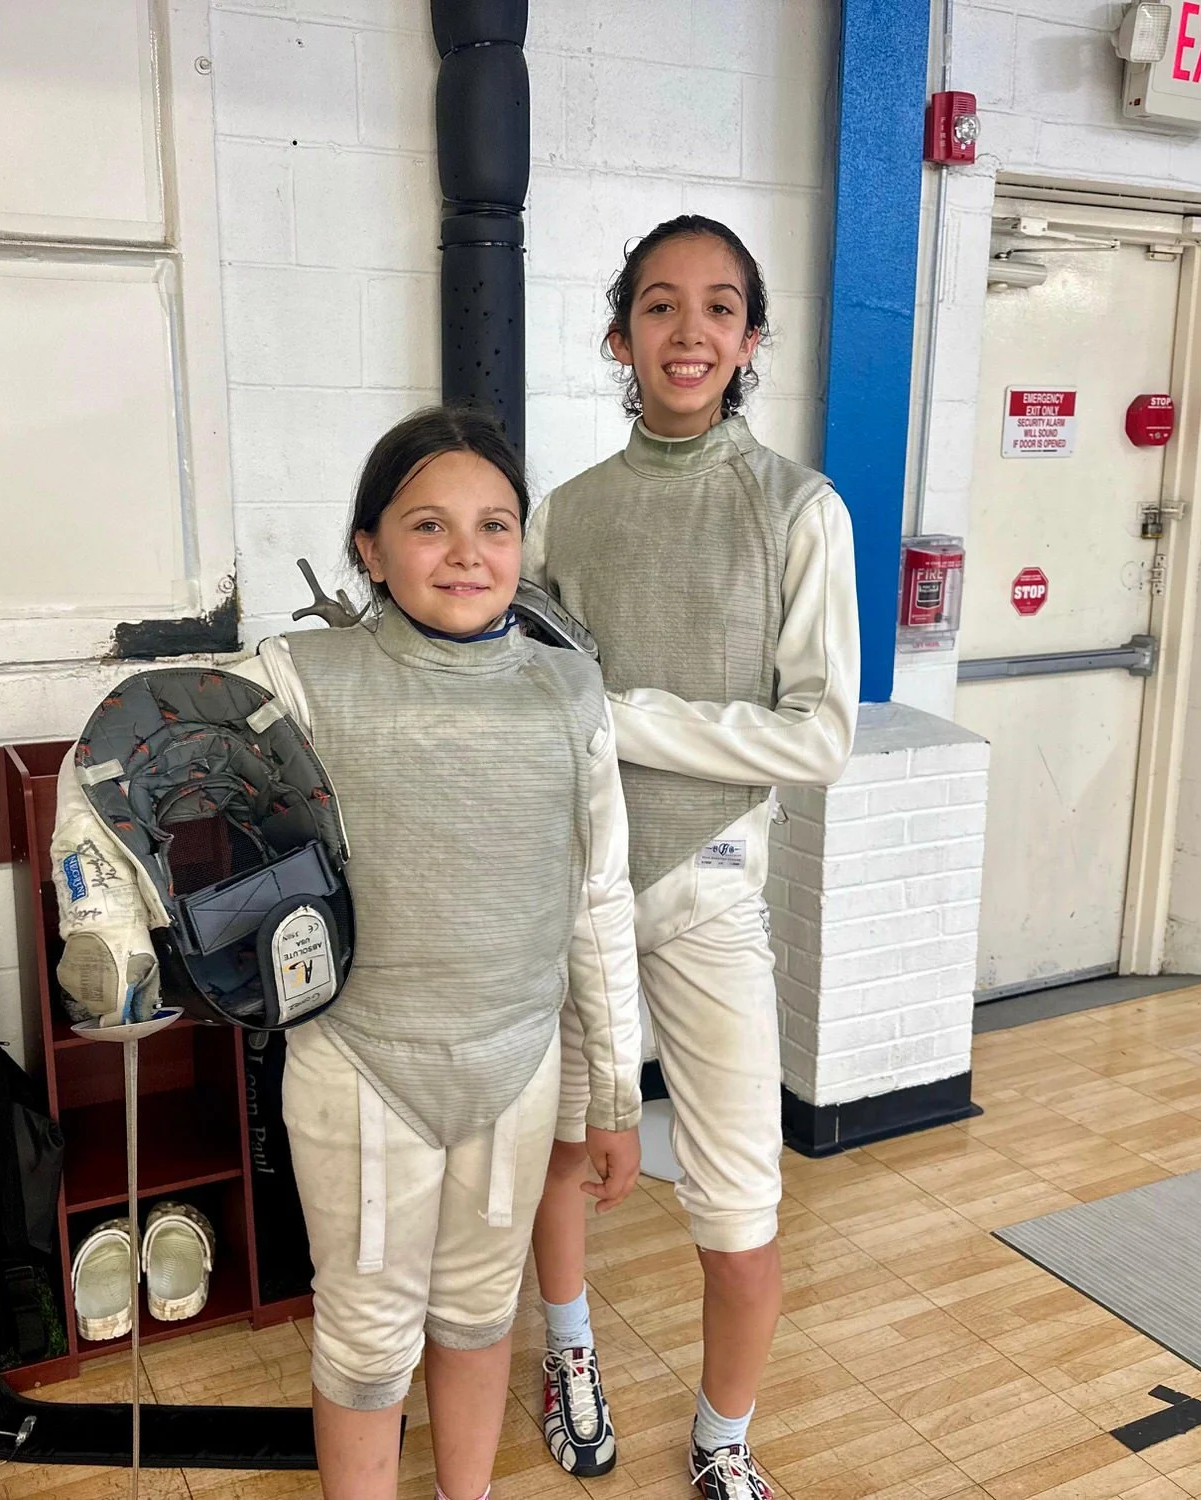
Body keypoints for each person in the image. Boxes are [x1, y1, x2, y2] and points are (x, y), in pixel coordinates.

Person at [237, 406, 645, 1500]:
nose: (467, 553)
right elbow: (148, 749)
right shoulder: (301, 674)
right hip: (361, 1065)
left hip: (515, 1066)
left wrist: (613, 1093)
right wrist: (105, 908)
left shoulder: (568, 690)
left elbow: (596, 903)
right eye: (428, 525)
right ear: (368, 547)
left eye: (494, 525)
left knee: (477, 1315)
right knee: (368, 1344)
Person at [524, 216, 860, 1500]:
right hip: (573, 891)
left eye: (717, 309)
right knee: (559, 1148)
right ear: (620, 337)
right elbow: (525, 691)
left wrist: (626, 714)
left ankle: (724, 1438)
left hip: (709, 881)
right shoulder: (565, 513)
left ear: (749, 341)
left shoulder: (795, 509)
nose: (688, 332)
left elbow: (818, 734)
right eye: (659, 308)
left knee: (737, 1200)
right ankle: (568, 1358)